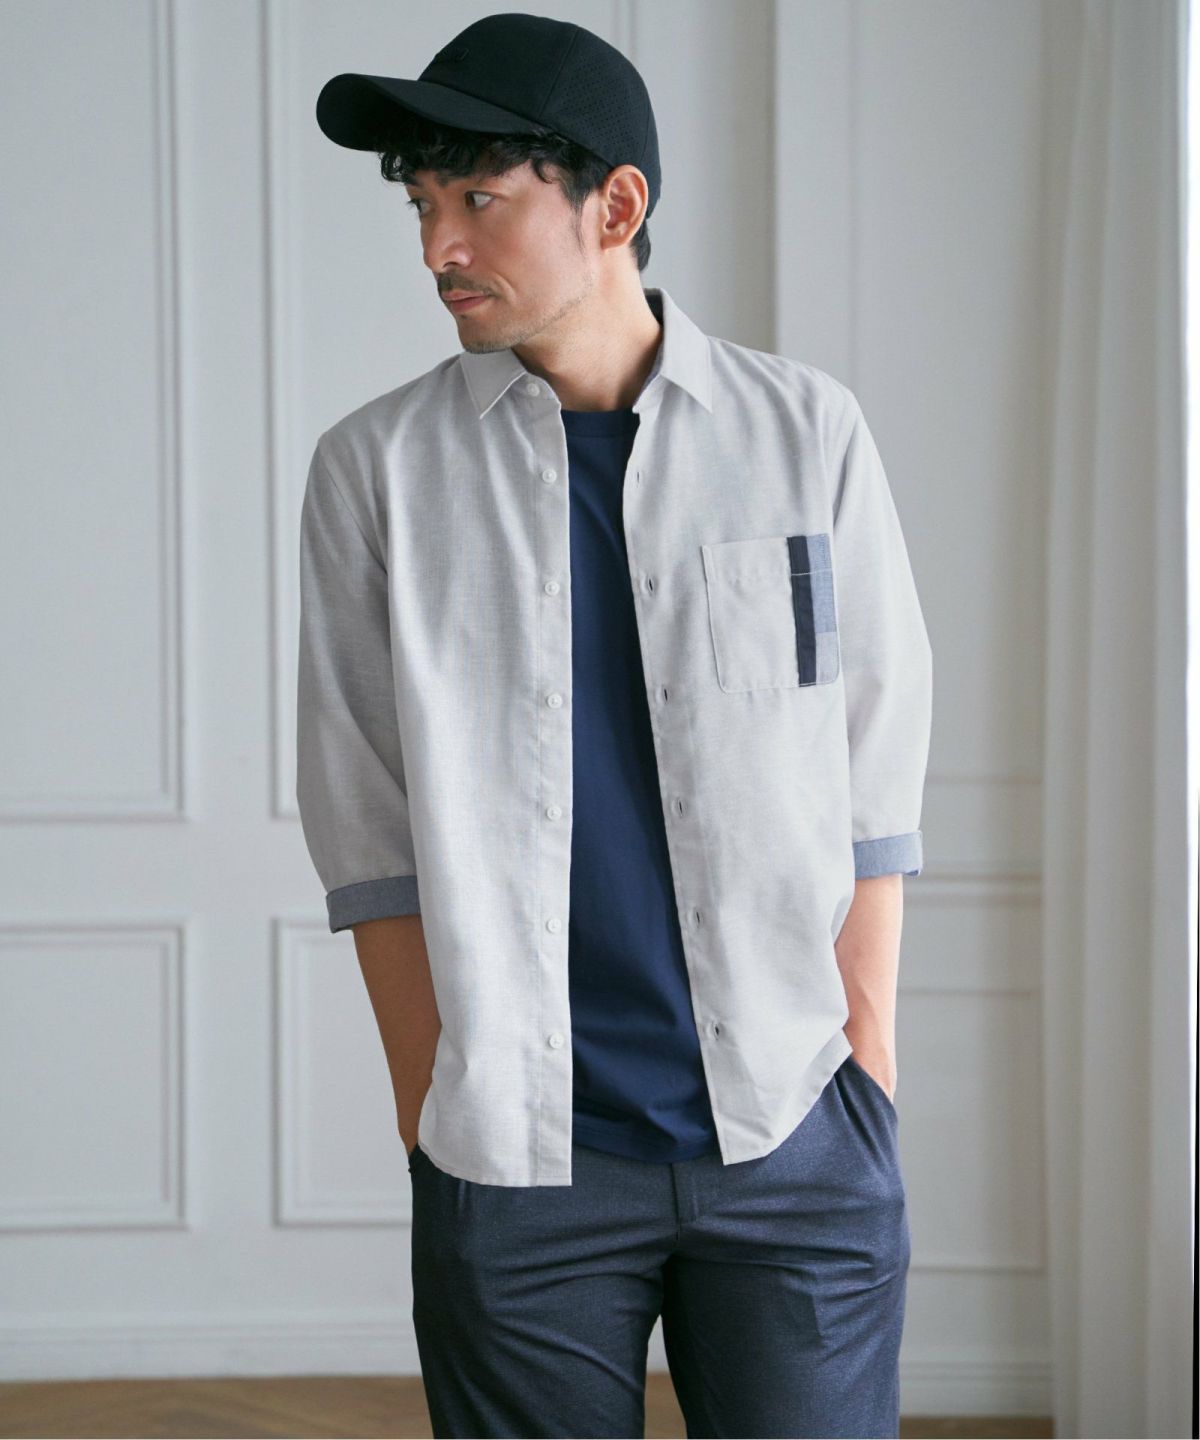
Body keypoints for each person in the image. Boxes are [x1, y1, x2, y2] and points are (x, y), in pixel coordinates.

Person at [298, 12, 933, 1438]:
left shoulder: (805, 434)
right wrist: (434, 1110)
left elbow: (872, 773)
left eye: (478, 199)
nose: (437, 245)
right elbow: (366, 823)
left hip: (795, 1134)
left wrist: (865, 1071)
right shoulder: (374, 471)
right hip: (518, 1163)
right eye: (422, 204)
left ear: (616, 205)